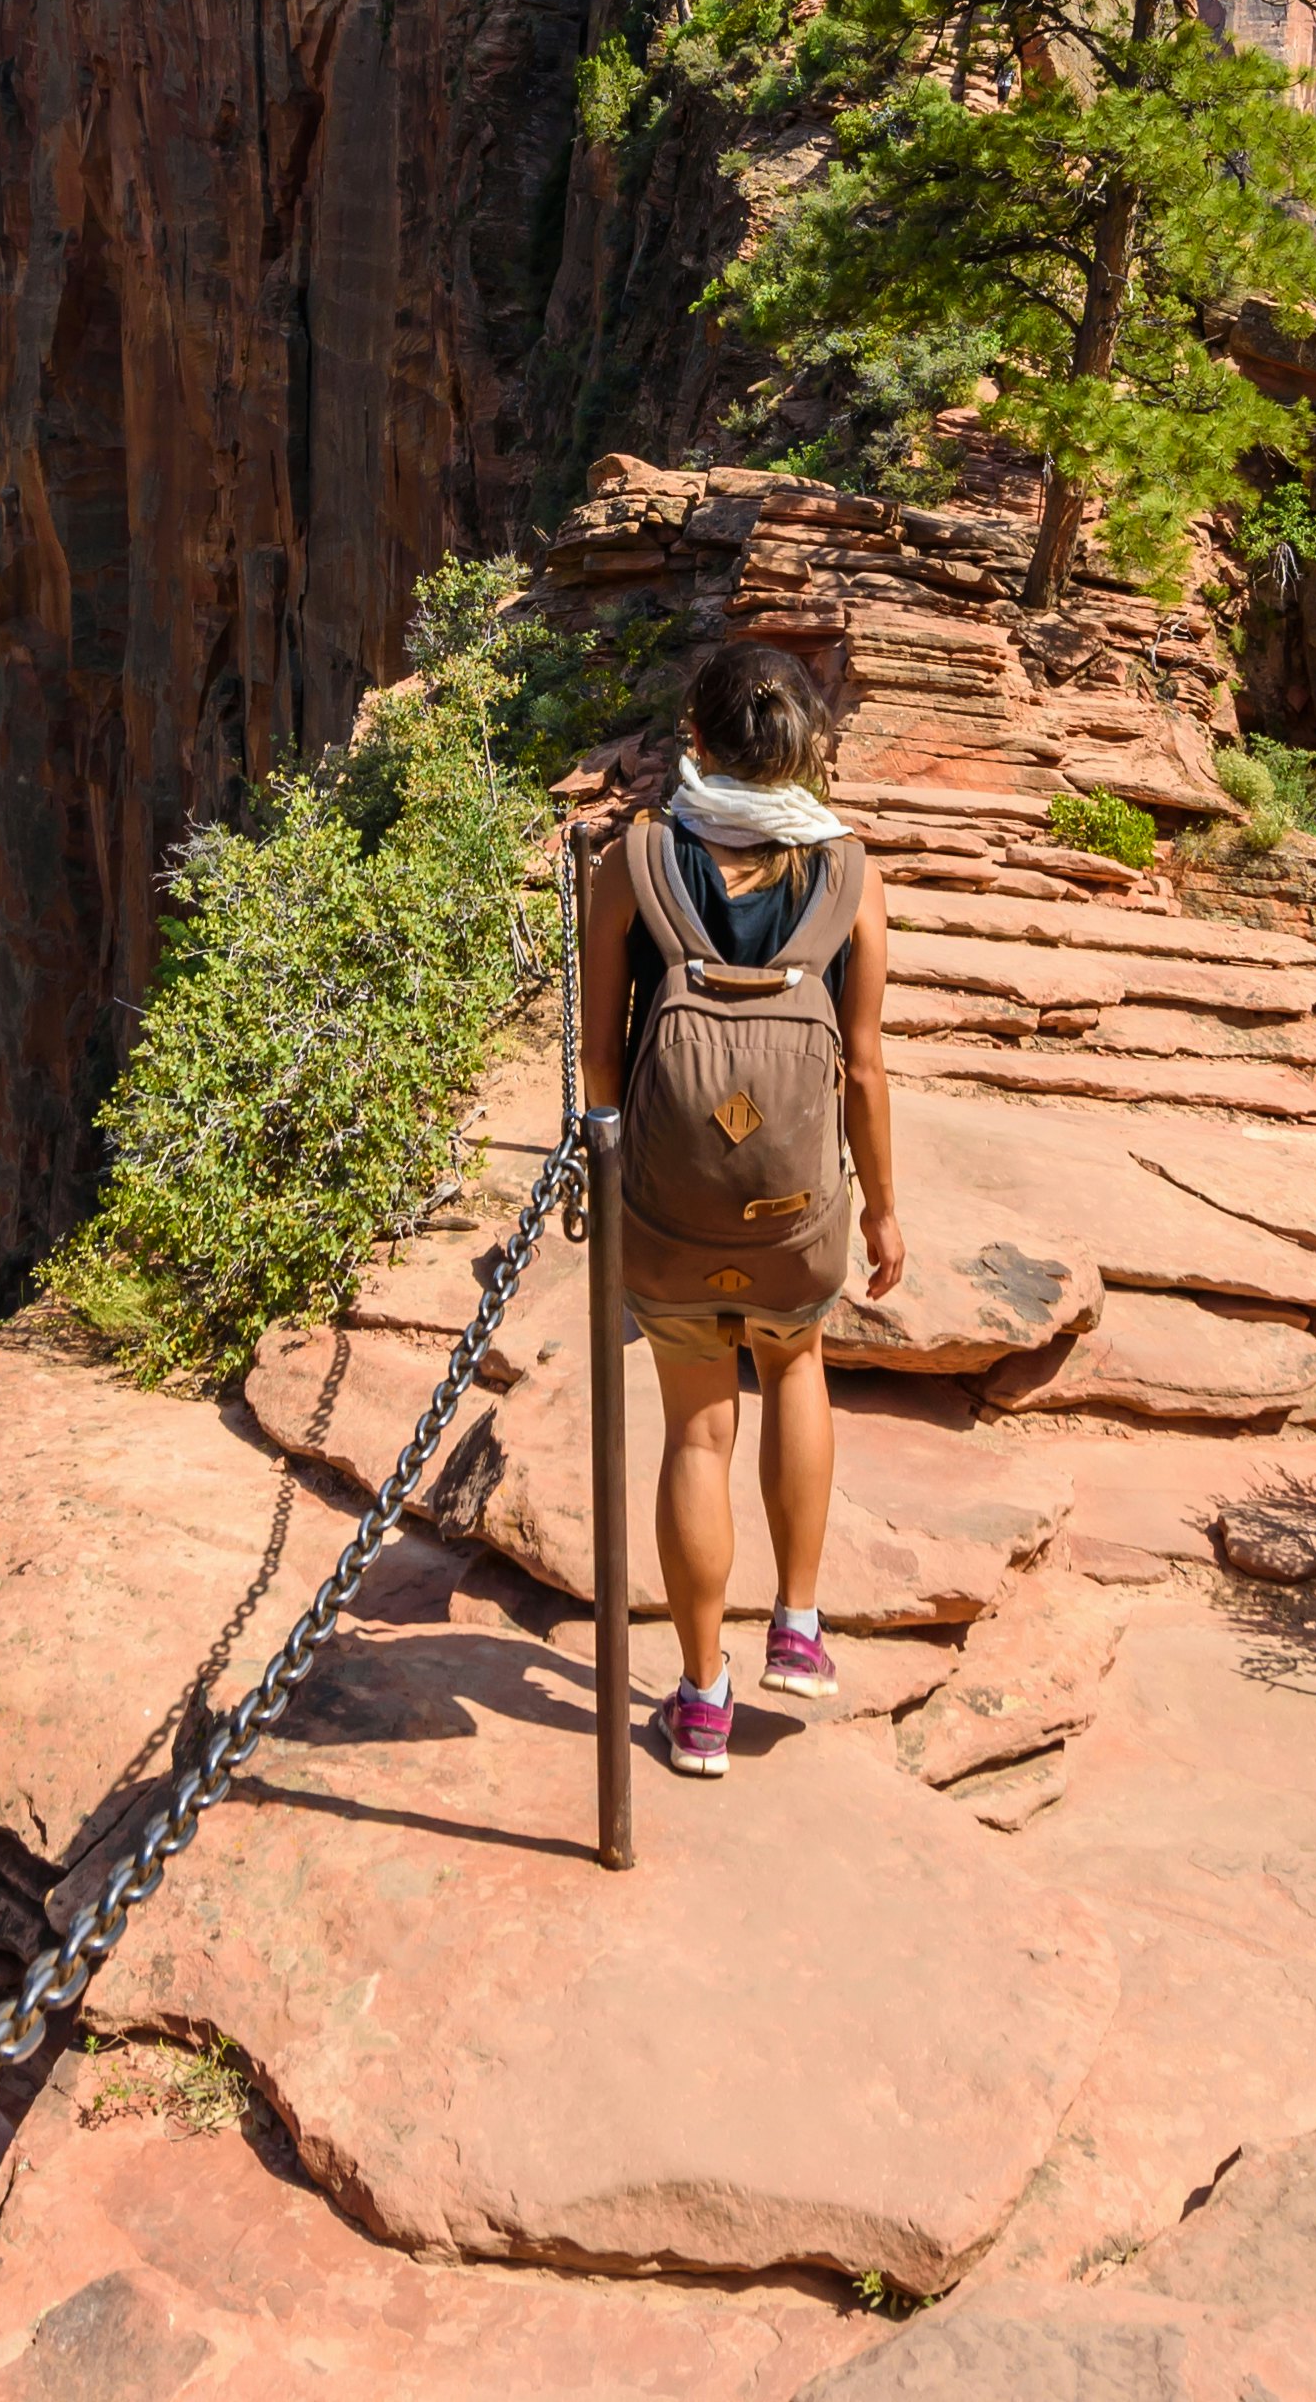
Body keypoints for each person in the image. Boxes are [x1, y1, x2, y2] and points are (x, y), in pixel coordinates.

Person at [571, 635, 901, 1782]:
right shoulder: (848, 871)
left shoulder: (638, 856)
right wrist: (884, 1213)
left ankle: (700, 1701)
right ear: (804, 748)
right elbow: (861, 1063)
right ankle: (798, 1625)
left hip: (668, 1210)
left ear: (695, 739)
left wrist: (618, 1173)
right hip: (796, 1211)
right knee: (797, 1368)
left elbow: (599, 1057)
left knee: (697, 1428)